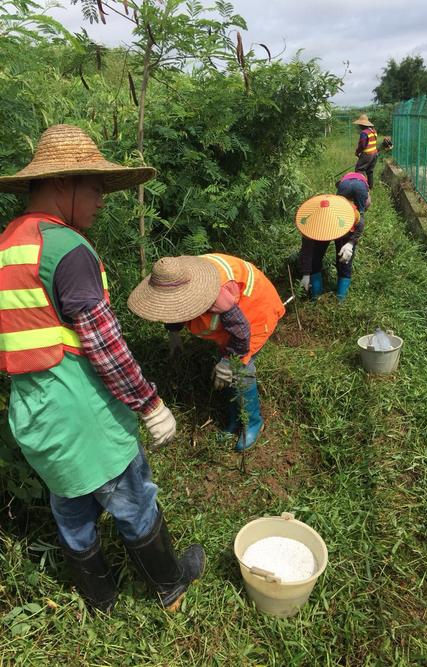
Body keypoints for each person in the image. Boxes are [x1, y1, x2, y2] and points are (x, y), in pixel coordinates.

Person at [0, 124, 205, 613]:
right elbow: (105, 345)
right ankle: (170, 587)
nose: (102, 200)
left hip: (35, 416)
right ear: (65, 183)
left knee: (70, 508)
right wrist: (150, 404)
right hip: (84, 413)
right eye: (95, 187)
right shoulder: (66, 250)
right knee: (134, 498)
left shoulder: (10, 246)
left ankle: (101, 600)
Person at [127, 254, 285, 452]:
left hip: (255, 310)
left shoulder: (214, 293)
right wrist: (174, 334)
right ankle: (234, 418)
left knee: (239, 370)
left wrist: (229, 361)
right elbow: (172, 307)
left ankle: (252, 422)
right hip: (233, 315)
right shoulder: (176, 276)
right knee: (226, 369)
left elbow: (242, 332)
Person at [297, 182, 369, 301]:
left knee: (344, 260)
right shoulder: (309, 224)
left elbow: (360, 224)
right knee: (315, 258)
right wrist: (306, 274)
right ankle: (316, 296)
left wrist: (350, 244)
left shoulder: (348, 212)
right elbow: (307, 251)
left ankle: (340, 299)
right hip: (318, 231)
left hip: (343, 228)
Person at [353, 113, 378, 190]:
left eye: (360, 124)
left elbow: (362, 145)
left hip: (367, 154)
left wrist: (357, 152)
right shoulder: (373, 131)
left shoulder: (364, 133)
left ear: (363, 125)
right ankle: (370, 187)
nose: (359, 126)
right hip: (374, 154)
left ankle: (361, 188)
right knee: (370, 171)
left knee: (359, 170)